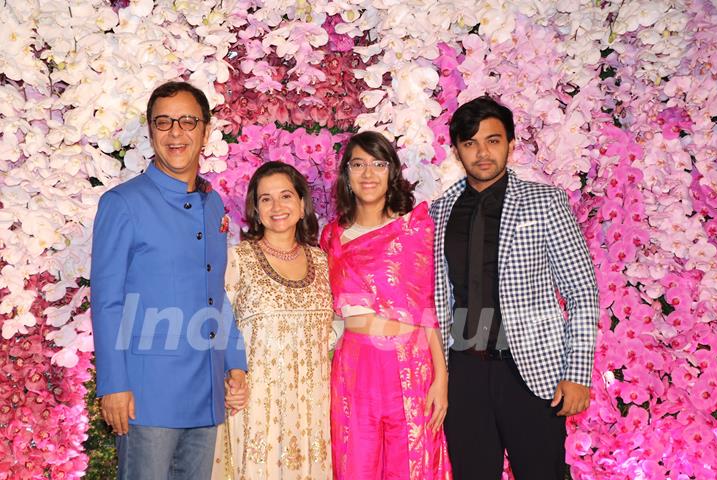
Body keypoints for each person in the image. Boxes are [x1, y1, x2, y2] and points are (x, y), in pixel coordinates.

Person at [430, 96, 599, 480]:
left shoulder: (545, 202)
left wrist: (577, 372)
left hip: (530, 371)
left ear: (510, 143)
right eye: (470, 143)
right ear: (456, 150)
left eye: (492, 140)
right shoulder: (439, 212)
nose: (482, 152)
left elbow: (582, 291)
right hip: (464, 371)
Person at [91, 81, 248, 480]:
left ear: (206, 131)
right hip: (146, 396)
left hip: (206, 389)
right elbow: (106, 300)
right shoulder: (122, 203)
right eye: (164, 122)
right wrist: (113, 384)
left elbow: (216, 292)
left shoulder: (213, 204)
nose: (175, 132)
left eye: (187, 121)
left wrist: (234, 362)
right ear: (150, 131)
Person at [321, 131, 453, 479]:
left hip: (409, 365)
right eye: (358, 164)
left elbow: (429, 307)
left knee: (410, 464)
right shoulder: (332, 236)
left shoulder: (414, 230)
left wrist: (441, 378)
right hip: (353, 368)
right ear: (346, 174)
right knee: (355, 465)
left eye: (378, 164)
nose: (368, 174)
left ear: (391, 171)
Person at [211, 161, 334, 479]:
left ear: (302, 203)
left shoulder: (323, 262)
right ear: (255, 208)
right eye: (266, 199)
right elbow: (215, 325)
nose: (277, 206)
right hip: (258, 410)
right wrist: (230, 375)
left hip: (314, 412)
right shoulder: (238, 259)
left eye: (286, 196)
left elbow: (337, 333)